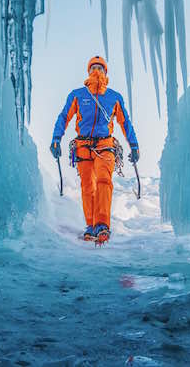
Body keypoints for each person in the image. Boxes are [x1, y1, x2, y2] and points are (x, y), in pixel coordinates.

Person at [51, 56, 140, 243]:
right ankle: (91, 226)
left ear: (106, 72)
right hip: (83, 147)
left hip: (105, 146)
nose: (97, 70)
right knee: (87, 187)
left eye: (100, 67)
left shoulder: (114, 97)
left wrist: (134, 144)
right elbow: (63, 117)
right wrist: (56, 139)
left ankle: (102, 225)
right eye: (94, 67)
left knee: (103, 180)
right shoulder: (77, 95)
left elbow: (125, 123)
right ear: (88, 71)